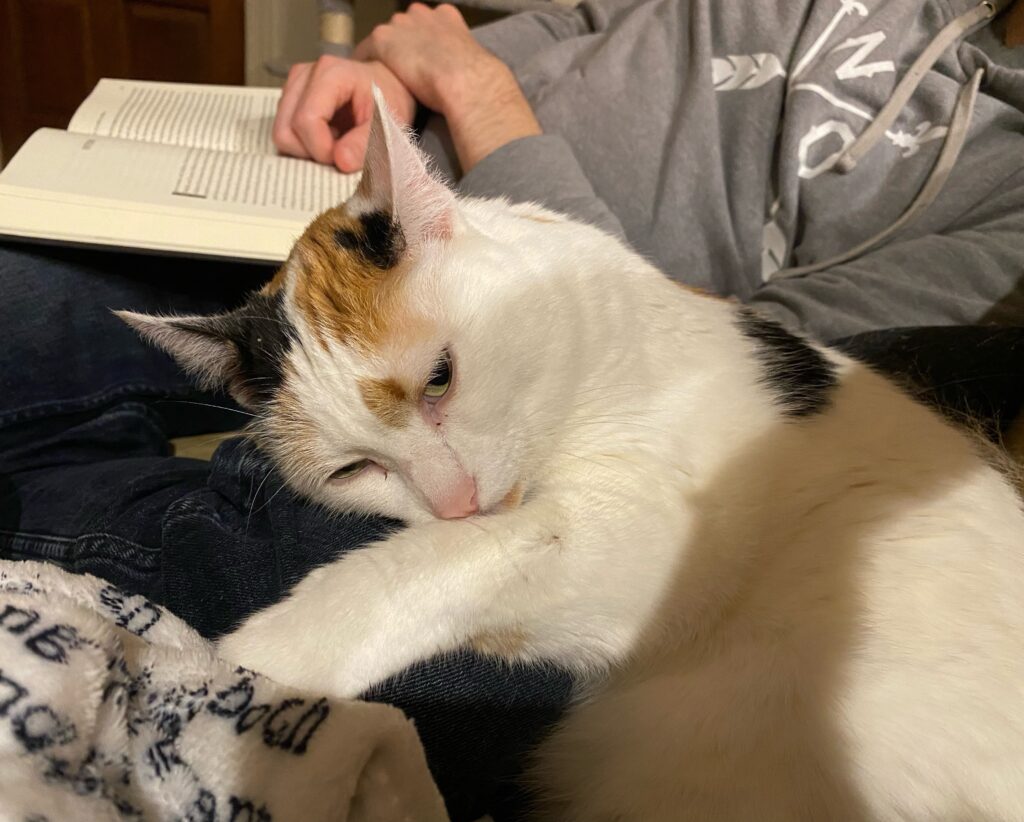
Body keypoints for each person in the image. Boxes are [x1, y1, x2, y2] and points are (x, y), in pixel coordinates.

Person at [1, 2, 1022, 819]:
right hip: (353, 225)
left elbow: (743, 346)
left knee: (271, 539)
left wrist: (483, 102)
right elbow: (446, 38)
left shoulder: (1005, 180)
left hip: (583, 401)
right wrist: (389, 77)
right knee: (22, 282)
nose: (454, 497)